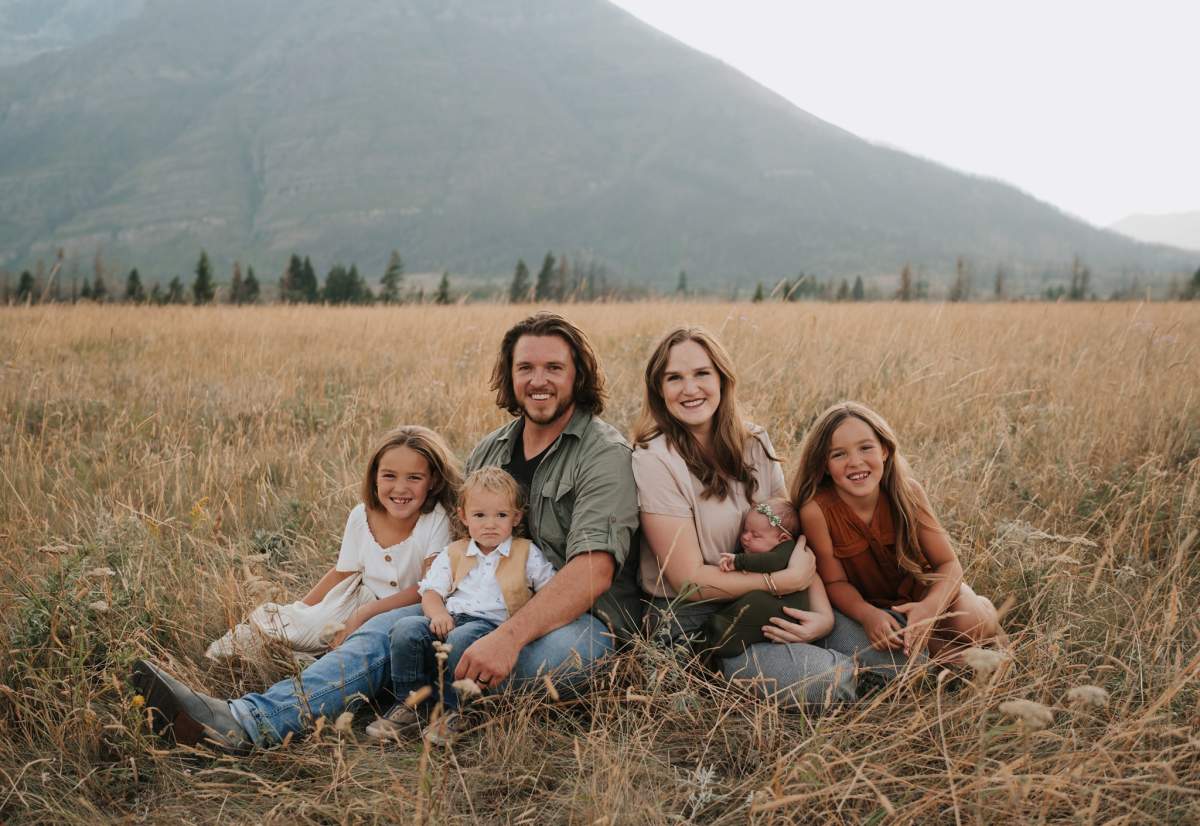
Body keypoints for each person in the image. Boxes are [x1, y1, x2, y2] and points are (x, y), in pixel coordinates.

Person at [131, 425, 462, 751]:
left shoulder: (436, 520)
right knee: (288, 626)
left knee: (363, 639)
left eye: (414, 478)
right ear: (374, 476)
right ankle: (258, 677)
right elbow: (341, 572)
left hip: (405, 609)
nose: (400, 487)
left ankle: (244, 721)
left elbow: (429, 586)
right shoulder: (362, 516)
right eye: (389, 476)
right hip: (360, 598)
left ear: (432, 480)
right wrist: (299, 610)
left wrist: (364, 613)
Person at [420, 311, 641, 703]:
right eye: (526, 368)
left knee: (544, 662)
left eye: (554, 367)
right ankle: (275, 716)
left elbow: (594, 572)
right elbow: (461, 550)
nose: (538, 381)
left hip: (583, 622)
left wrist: (507, 637)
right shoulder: (490, 450)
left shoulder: (604, 454)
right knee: (382, 634)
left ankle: (420, 686)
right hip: (481, 607)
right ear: (511, 376)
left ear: (578, 375)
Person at [633, 326, 854, 705]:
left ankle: (848, 666)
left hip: (777, 597)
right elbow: (688, 581)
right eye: (674, 378)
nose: (690, 389)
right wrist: (777, 582)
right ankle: (716, 676)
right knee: (828, 680)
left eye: (702, 373)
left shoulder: (754, 442)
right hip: (698, 619)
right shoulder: (654, 460)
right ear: (659, 390)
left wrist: (823, 616)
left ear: (722, 378)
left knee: (890, 659)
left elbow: (794, 542)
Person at [793, 401, 1001, 666]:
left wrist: (929, 608)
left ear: (885, 450)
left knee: (970, 624)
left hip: (927, 594)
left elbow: (948, 563)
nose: (855, 462)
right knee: (907, 648)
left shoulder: (908, 493)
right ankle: (950, 658)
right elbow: (835, 583)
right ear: (823, 465)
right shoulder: (816, 511)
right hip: (876, 611)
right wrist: (868, 615)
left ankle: (982, 614)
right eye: (839, 454)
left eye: (865, 448)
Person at [366, 466, 555, 741]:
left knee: (463, 637)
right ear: (464, 516)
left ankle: (460, 710)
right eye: (480, 515)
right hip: (450, 619)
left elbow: (550, 590)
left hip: (493, 628)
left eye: (500, 515)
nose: (490, 524)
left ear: (516, 517)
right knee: (405, 628)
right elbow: (430, 592)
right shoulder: (454, 552)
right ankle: (412, 703)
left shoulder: (526, 553)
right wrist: (438, 613)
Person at [703, 498, 834, 660]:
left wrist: (739, 561)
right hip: (779, 608)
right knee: (754, 602)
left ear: (783, 539)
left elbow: (771, 562)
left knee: (756, 601)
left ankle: (728, 639)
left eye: (755, 535)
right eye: (745, 530)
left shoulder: (787, 550)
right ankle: (723, 628)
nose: (745, 537)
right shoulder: (771, 543)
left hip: (787, 611)